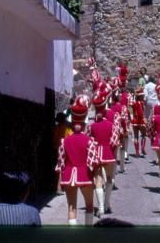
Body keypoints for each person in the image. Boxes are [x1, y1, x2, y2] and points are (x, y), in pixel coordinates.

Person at [55, 95, 96, 226]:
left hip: (69, 175)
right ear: (84, 125)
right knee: (89, 205)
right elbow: (93, 162)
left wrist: (61, 180)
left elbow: (61, 161)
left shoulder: (64, 141)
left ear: (72, 125)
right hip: (85, 175)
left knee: (71, 207)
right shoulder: (90, 141)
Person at [89, 87, 120, 218]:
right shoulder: (111, 125)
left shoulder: (91, 125)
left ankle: (101, 208)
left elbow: (89, 142)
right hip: (108, 153)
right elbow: (115, 141)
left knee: (98, 180)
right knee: (110, 179)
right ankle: (107, 204)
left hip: (96, 153)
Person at [52, 112, 73, 194]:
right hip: (64, 150)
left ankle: (59, 186)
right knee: (63, 168)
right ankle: (60, 187)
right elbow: (70, 138)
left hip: (56, 149)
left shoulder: (56, 128)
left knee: (59, 167)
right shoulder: (67, 129)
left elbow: (53, 139)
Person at [131, 86, 147, 157]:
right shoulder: (141, 103)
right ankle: (142, 148)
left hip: (134, 120)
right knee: (143, 135)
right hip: (140, 121)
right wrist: (143, 119)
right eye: (142, 96)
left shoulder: (134, 103)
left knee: (136, 136)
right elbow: (141, 113)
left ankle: (137, 151)